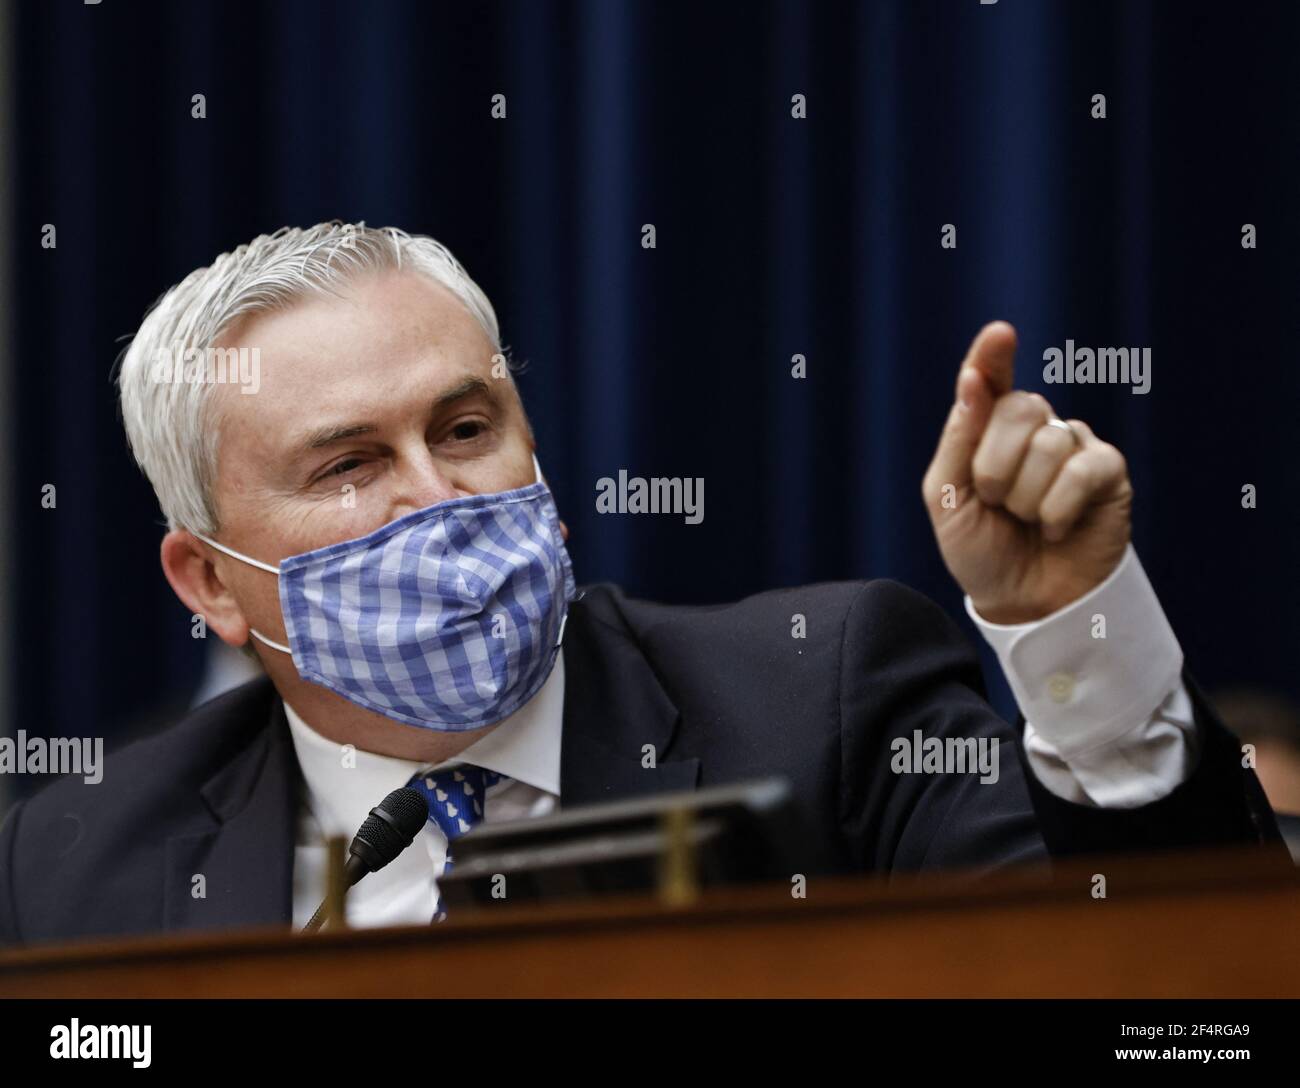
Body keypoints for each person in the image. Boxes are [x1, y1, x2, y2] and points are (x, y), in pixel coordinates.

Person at [0, 223, 1282, 944]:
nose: (440, 497)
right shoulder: (80, 852)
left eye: (462, 428)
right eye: (347, 464)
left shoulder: (821, 694)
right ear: (210, 583)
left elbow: (1164, 982)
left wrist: (1073, 636)